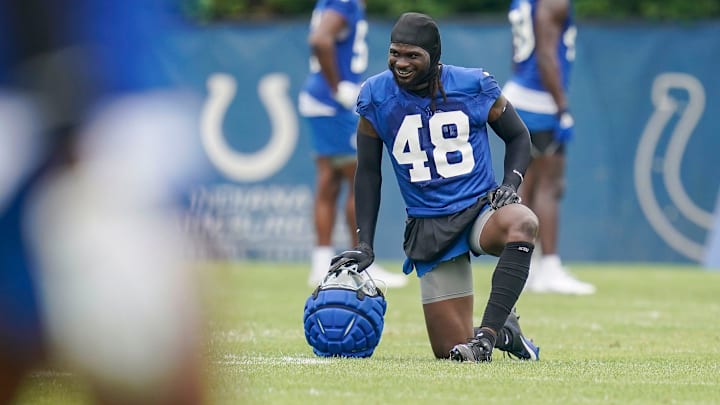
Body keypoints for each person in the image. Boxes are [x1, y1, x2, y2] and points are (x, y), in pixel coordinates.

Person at [332, 12, 540, 362]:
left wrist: (510, 184)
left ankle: (486, 339)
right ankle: (505, 330)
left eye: (412, 55)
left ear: (434, 56)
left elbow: (519, 136)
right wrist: (364, 242)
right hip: (429, 226)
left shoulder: (474, 85)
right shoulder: (375, 95)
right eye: (395, 53)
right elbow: (368, 172)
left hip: (479, 210)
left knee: (523, 222)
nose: (401, 62)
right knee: (448, 351)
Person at [299, 0, 407, 288]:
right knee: (358, 178)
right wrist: (338, 87)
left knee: (329, 181)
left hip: (318, 100)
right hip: (331, 102)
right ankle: (357, 263)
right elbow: (320, 39)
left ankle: (322, 263)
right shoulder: (344, 2)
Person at [503, 0, 595, 294]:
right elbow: (545, 55)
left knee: (525, 186)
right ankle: (550, 267)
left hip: (518, 92)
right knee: (550, 186)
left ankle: (522, 267)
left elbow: (518, 55)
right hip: (540, 102)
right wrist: (562, 108)